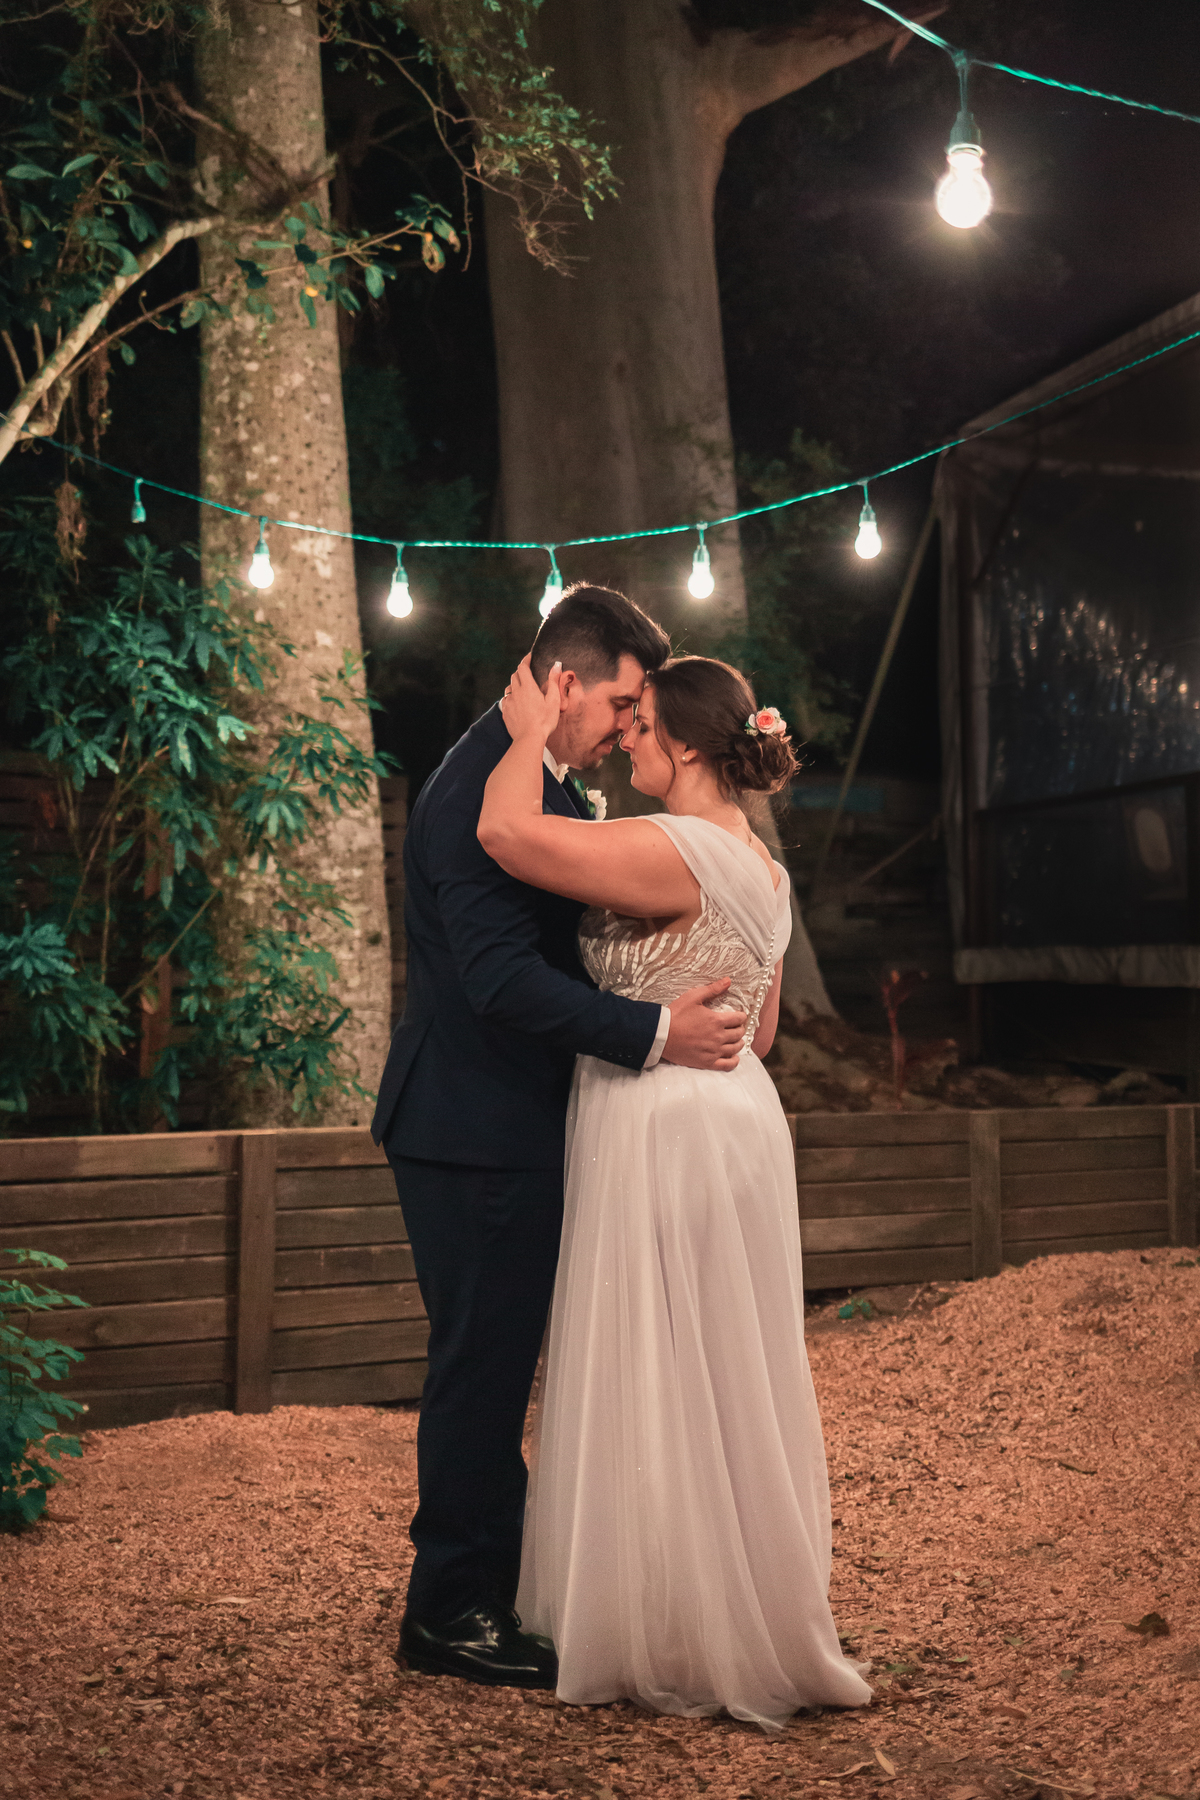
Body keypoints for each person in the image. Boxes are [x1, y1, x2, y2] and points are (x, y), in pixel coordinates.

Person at [476, 651, 873, 1729]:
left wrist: (524, 737)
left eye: (641, 724)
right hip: (738, 1113)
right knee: (723, 1362)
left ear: (690, 743)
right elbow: (769, 1026)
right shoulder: (762, 867)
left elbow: (505, 836)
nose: (627, 740)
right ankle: (735, 1603)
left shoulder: (669, 848)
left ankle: (671, 1623)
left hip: (661, 1117)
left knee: (660, 1357)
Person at [371, 585, 750, 1691]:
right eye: (624, 703)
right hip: (473, 1128)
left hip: (500, 1122)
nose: (629, 727)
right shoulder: (471, 797)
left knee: (495, 1366)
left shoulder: (534, 777)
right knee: (481, 1373)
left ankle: (499, 1584)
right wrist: (654, 1033)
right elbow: (496, 980)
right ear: (566, 685)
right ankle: (447, 1611)